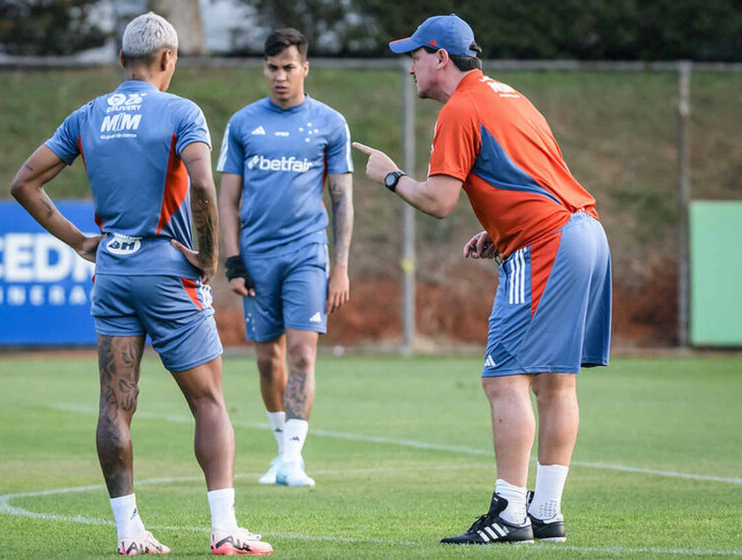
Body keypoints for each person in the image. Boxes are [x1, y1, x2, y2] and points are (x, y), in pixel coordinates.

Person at [10, 12, 272, 556]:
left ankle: (129, 533)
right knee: (209, 403)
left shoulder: (87, 115)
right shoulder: (180, 110)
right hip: (167, 272)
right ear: (168, 59)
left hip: (113, 270)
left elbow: (25, 183)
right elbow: (202, 180)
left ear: (121, 60)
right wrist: (207, 255)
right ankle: (224, 531)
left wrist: (80, 241)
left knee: (115, 403)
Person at [353, 14, 611, 545]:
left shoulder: (460, 108)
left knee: (503, 378)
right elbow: (533, 174)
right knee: (555, 382)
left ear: (440, 58)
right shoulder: (506, 94)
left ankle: (510, 513)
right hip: (583, 231)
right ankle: (546, 513)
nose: (411, 68)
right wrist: (498, 228)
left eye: (416, 56)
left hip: (545, 245)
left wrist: (389, 175)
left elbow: (438, 201)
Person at [217, 28, 354, 488]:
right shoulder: (242, 125)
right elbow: (227, 201)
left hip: (306, 253)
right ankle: (280, 450)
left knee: (301, 353)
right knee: (266, 359)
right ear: (264, 68)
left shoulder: (330, 124)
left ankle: (294, 457)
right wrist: (232, 262)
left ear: (305, 68)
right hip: (256, 257)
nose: (280, 76)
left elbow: (342, 201)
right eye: (273, 68)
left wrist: (340, 266)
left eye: (289, 67)